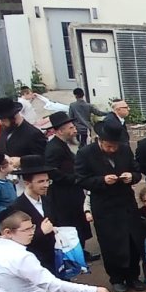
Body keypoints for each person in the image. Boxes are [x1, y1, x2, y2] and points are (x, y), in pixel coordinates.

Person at [7, 154, 84, 292]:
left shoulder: (47, 200)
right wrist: (42, 232)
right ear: (27, 182)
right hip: (35, 263)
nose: (45, 184)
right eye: (40, 181)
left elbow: (54, 220)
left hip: (53, 258)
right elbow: (17, 242)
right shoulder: (17, 208)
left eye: (47, 180)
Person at [76, 120, 145, 292]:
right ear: (100, 140)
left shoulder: (124, 149)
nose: (112, 149)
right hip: (104, 205)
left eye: (115, 146)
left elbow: (137, 171)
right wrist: (102, 181)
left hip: (126, 203)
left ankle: (133, 276)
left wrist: (132, 176)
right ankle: (116, 278)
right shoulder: (85, 153)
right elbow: (80, 179)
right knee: (111, 243)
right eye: (109, 146)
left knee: (132, 241)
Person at [45, 109, 96, 261]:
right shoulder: (54, 148)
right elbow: (53, 172)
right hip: (63, 194)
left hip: (73, 190)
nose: (74, 130)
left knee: (79, 221)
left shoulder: (66, 144)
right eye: (71, 128)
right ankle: (73, 255)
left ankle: (81, 251)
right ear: (60, 131)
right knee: (70, 223)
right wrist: (75, 178)